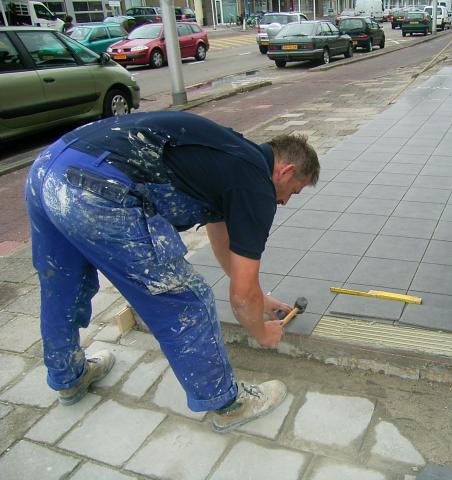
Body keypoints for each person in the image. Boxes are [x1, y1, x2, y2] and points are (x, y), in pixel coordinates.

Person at [25, 111, 320, 433]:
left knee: (64, 286)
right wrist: (262, 333)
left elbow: (224, 237)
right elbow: (239, 297)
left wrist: (258, 298)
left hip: (48, 171)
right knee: (186, 301)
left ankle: (69, 377)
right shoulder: (256, 185)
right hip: (97, 188)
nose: (287, 201)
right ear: (286, 170)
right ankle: (227, 404)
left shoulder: (230, 156)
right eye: (295, 190)